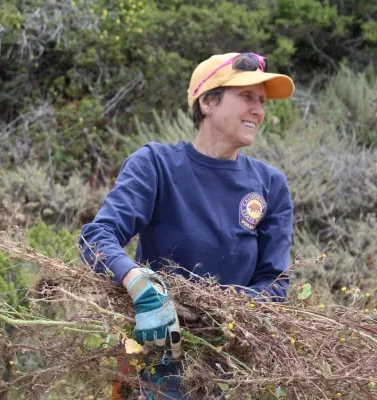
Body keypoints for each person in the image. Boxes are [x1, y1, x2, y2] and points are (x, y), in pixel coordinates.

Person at [79, 52, 295, 399]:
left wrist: (220, 314)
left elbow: (275, 282)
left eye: (262, 101)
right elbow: (96, 237)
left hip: (231, 373)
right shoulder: (156, 165)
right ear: (208, 101)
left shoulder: (270, 185)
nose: (258, 109)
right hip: (158, 361)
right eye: (246, 97)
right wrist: (139, 283)